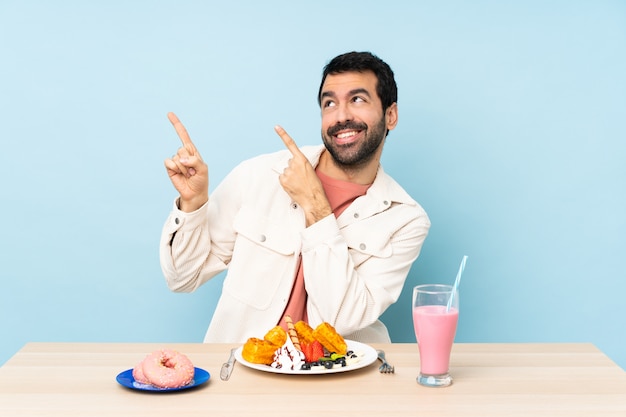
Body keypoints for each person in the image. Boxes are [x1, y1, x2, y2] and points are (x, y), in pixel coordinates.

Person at [160, 51, 430, 344]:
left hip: (339, 378)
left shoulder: (405, 219)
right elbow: (183, 278)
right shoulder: (259, 175)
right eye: (329, 103)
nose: (341, 116)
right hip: (244, 371)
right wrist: (193, 204)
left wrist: (316, 206)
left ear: (391, 115)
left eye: (358, 100)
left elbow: (341, 320)